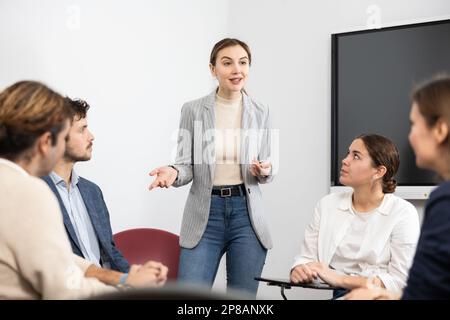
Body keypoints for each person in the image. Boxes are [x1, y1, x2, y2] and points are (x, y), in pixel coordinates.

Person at [0, 81, 166, 299]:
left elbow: (60, 260)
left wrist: (126, 278)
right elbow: (63, 289)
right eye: (61, 137)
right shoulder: (32, 192)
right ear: (46, 142)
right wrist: (125, 290)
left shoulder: (11, 183)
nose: (92, 136)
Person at [148, 38, 275, 297]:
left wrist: (264, 170)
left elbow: (270, 165)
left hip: (246, 215)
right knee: (190, 298)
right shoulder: (193, 110)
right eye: (227, 63)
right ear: (213, 69)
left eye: (243, 63)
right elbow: (185, 164)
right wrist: (173, 172)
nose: (236, 70)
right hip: (205, 214)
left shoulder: (261, 110)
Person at [345, 76, 450, 300]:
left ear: (440, 129)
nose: (409, 135)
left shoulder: (444, 201)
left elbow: (423, 293)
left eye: (414, 124)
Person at [42, 98, 165, 278]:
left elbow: (110, 252)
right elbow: (51, 264)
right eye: (82, 129)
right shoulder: (36, 192)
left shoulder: (92, 192)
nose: (91, 136)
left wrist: (136, 276)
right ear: (57, 138)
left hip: (105, 287)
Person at [290, 134, 420, 299]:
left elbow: (401, 281)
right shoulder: (327, 205)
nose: (345, 160)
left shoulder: (403, 213)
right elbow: (306, 257)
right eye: (348, 153)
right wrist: (299, 268)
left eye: (356, 156)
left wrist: (340, 279)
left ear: (379, 171)